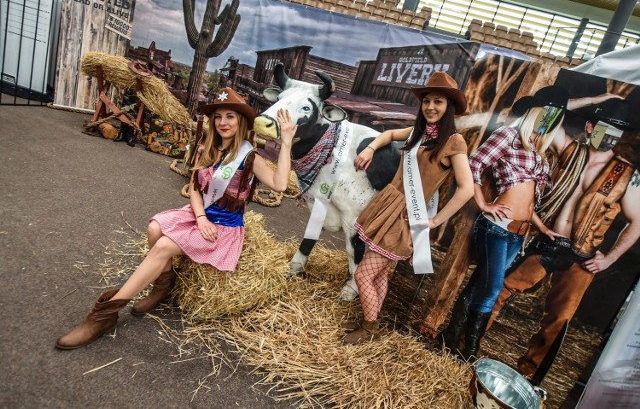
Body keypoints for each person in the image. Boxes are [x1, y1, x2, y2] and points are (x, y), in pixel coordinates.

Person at [55, 88, 297, 350]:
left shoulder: (250, 157)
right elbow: (194, 187)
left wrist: (286, 143)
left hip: (224, 227)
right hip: (201, 216)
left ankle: (104, 315)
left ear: (241, 122)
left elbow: (280, 184)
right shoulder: (209, 148)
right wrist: (201, 217)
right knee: (154, 228)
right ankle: (163, 285)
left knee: (162, 246)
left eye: (230, 116)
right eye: (218, 117)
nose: (223, 122)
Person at [487, 95, 640, 380]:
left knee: (558, 319)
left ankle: (528, 376)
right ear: (592, 127)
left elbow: (638, 222)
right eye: (607, 130)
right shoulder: (570, 150)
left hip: (582, 257)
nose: (612, 138)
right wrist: (599, 98)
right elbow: (547, 111)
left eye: (618, 133)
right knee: (500, 289)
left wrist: (608, 258)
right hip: (548, 241)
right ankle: (466, 345)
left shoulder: (626, 175)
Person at [342, 71, 475, 344]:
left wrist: (436, 221)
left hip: (405, 215)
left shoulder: (454, 141)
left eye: (438, 101)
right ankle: (371, 321)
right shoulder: (419, 132)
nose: (430, 107)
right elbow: (390, 133)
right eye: (427, 101)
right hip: (387, 207)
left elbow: (467, 188)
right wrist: (369, 149)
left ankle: (369, 327)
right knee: (377, 275)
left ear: (449, 106)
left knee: (363, 274)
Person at [439, 85, 568, 360]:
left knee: (479, 284)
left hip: (518, 232)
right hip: (496, 226)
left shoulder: (539, 150)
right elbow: (473, 165)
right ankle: (469, 350)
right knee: (493, 287)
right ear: (536, 112)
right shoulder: (508, 136)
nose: (551, 120)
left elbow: (530, 198)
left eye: (556, 116)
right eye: (548, 113)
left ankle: (450, 337)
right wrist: (484, 204)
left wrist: (541, 227)